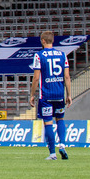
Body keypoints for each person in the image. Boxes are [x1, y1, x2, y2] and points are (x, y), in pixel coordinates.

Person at [30, 31, 73, 161]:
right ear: (52, 40)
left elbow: (36, 78)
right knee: (60, 119)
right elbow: (66, 76)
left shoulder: (39, 56)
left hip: (46, 95)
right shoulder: (62, 55)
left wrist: (32, 94)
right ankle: (63, 145)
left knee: (48, 122)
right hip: (59, 94)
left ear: (43, 40)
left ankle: (52, 154)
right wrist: (69, 95)